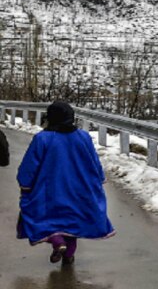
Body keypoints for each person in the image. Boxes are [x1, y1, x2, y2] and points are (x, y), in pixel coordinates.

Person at [16, 101, 115, 265]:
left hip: (49, 190)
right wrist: (98, 178)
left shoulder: (42, 139)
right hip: (79, 190)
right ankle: (68, 255)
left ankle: (56, 241)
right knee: (72, 224)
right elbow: (94, 161)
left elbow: (30, 166)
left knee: (38, 217)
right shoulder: (83, 137)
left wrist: (25, 185)